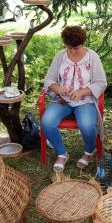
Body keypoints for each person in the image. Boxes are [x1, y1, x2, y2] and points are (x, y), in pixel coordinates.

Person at [42, 26, 107, 171]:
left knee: (87, 125)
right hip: (63, 100)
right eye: (69, 47)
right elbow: (49, 79)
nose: (72, 51)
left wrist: (82, 92)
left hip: (85, 101)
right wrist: (59, 88)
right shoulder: (60, 56)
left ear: (83, 43)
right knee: (47, 121)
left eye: (76, 48)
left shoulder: (92, 57)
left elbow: (101, 82)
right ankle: (62, 153)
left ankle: (89, 152)